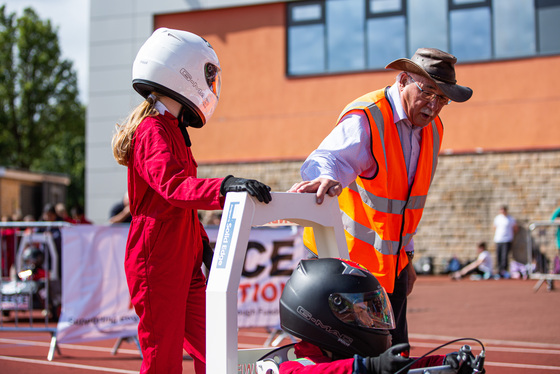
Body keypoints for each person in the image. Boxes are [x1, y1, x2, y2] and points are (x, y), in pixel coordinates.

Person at [111, 28, 272, 374]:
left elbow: (182, 207)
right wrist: (226, 186)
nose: (211, 84)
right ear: (181, 70)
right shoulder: (152, 130)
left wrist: (203, 247)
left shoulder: (174, 131)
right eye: (208, 74)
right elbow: (173, 187)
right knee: (163, 360)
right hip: (157, 259)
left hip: (183, 255)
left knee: (214, 352)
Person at [289, 48, 472, 346]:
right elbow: (327, 158)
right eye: (427, 92)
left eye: (442, 98)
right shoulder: (368, 117)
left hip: (391, 270)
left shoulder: (433, 129)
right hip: (345, 266)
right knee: (350, 361)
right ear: (402, 81)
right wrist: (326, 177)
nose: (434, 104)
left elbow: (402, 206)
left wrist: (407, 258)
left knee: (395, 356)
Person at [278, 257, 453, 374]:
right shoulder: (295, 367)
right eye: (361, 312)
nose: (370, 320)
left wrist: (446, 363)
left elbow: (406, 366)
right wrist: (369, 367)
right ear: (324, 316)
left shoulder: (355, 361)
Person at [493, 205, 518, 278]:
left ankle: (504, 271)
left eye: (503, 210)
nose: (502, 211)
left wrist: (511, 235)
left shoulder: (510, 218)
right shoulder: (497, 218)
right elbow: (494, 227)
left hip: (507, 239)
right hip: (498, 239)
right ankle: (499, 270)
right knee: (498, 255)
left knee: (505, 256)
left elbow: (515, 228)